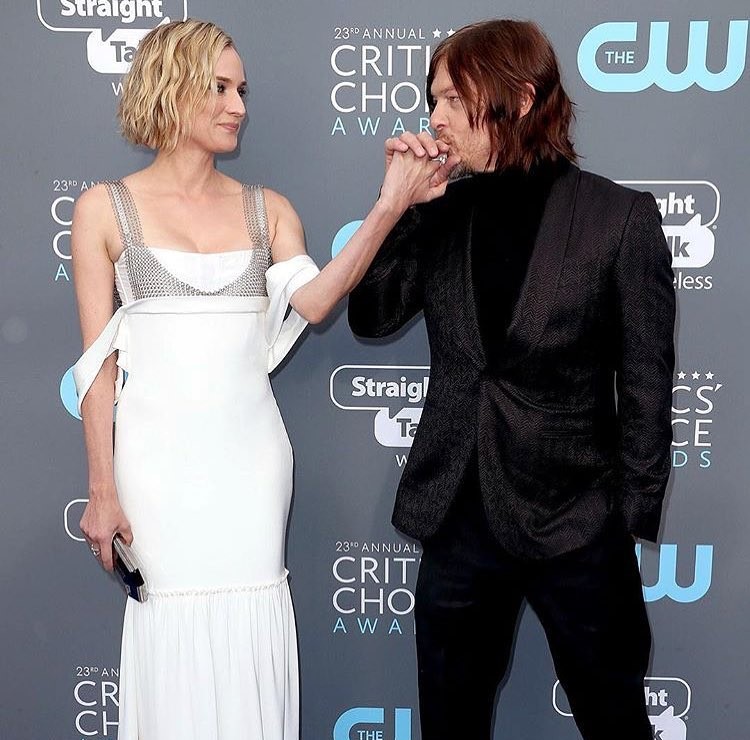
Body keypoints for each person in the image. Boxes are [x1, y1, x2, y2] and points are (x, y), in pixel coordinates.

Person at [71, 19, 456, 740]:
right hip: (154, 470)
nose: (238, 105)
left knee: (250, 626)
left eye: (242, 90)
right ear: (170, 87)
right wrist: (101, 488)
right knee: (171, 631)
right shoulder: (102, 209)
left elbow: (316, 301)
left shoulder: (268, 210)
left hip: (251, 466)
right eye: (219, 88)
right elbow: (97, 365)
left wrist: (390, 205)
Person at [348, 19, 675, 740]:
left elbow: (647, 385)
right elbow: (370, 316)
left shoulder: (618, 217)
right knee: (450, 724)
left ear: (520, 99)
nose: (434, 118)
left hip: (578, 521)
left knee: (615, 722)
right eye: (432, 99)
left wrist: (623, 520)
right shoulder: (442, 210)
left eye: (451, 98)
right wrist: (399, 205)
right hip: (459, 515)